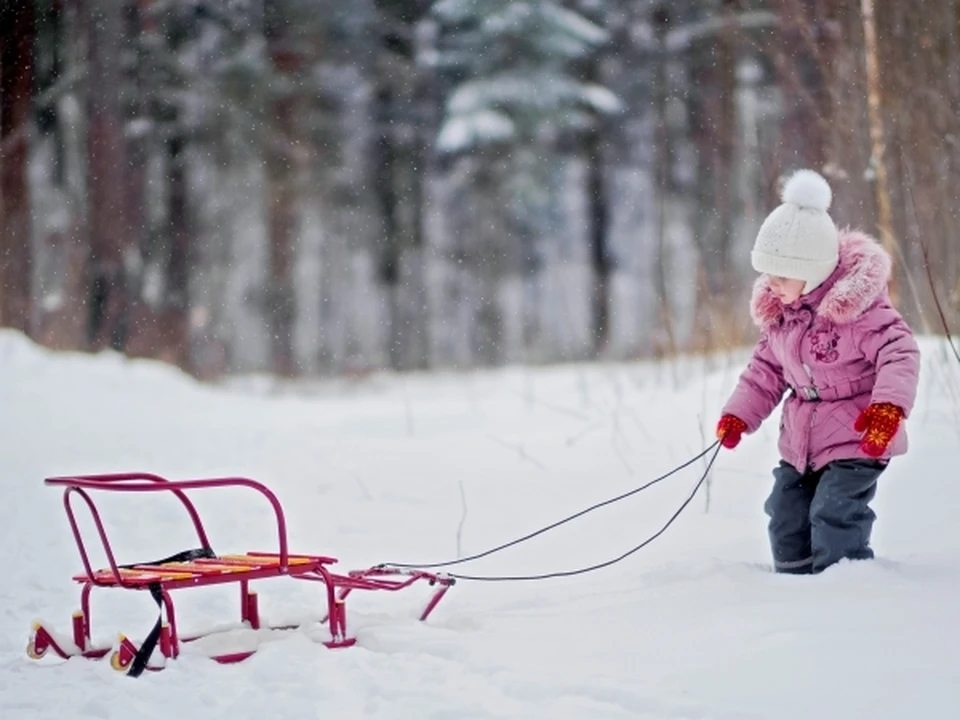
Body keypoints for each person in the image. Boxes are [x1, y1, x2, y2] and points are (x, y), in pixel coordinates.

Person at [716, 169, 921, 575]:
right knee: (785, 512)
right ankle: (795, 586)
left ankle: (842, 587)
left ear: (814, 271)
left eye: (782, 276)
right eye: (767, 275)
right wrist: (739, 414)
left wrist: (888, 409)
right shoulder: (783, 319)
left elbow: (899, 353)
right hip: (802, 441)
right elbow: (765, 372)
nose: (771, 285)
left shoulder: (860, 312)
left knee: (834, 512)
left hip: (859, 435)